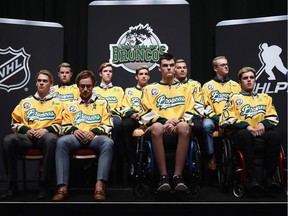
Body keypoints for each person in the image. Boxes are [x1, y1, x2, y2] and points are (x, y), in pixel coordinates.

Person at [52, 70, 114, 202]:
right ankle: (62, 187)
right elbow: (64, 125)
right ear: (78, 86)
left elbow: (108, 124)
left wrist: (94, 132)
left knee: (108, 142)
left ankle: (100, 186)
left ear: (93, 85)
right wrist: (74, 130)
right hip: (75, 138)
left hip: (95, 138)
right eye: (82, 86)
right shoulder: (70, 105)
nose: (85, 89)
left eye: (88, 86)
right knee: (62, 141)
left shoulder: (103, 103)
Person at [1, 69, 63, 200]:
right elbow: (14, 123)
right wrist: (26, 130)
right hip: (27, 138)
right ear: (36, 83)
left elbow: (62, 124)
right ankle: (12, 185)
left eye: (44, 81)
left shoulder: (58, 103)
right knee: (8, 140)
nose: (41, 83)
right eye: (39, 81)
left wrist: (45, 129)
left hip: (45, 137)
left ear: (51, 84)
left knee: (51, 139)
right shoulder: (25, 102)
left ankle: (44, 185)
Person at [139, 53, 197, 192]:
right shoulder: (149, 89)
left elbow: (193, 111)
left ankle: (178, 176)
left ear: (175, 67)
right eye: (165, 66)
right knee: (158, 127)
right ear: (159, 69)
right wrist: (165, 122)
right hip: (158, 128)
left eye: (172, 65)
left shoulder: (186, 89)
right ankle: (163, 177)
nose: (169, 68)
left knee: (184, 126)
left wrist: (178, 121)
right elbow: (144, 113)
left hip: (179, 127)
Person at [220, 66, 281, 193]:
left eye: (251, 78)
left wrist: (263, 124)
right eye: (245, 78)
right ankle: (252, 179)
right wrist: (246, 126)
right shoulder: (233, 98)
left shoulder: (265, 98)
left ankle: (269, 178)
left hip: (261, 132)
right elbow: (226, 118)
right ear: (240, 82)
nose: (249, 80)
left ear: (255, 80)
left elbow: (273, 116)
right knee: (244, 135)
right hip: (242, 133)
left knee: (275, 136)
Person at [202, 56, 241, 170]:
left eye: (226, 64)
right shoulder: (207, 86)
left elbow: (239, 106)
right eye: (222, 65)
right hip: (214, 119)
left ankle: (237, 158)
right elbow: (205, 107)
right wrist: (217, 118)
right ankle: (211, 157)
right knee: (206, 125)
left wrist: (229, 119)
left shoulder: (235, 85)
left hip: (231, 119)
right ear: (215, 68)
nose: (226, 66)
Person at [120, 65, 150, 176]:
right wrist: (132, 113)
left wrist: (143, 114)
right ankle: (131, 161)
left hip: (148, 118)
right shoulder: (129, 91)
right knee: (125, 125)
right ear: (136, 77)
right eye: (141, 74)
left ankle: (148, 162)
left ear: (149, 77)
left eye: (146, 74)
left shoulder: (153, 90)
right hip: (134, 117)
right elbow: (124, 107)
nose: (143, 76)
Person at [174, 59, 205, 146]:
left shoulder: (195, 84)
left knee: (198, 128)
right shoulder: (170, 85)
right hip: (176, 115)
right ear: (174, 70)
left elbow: (199, 103)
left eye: (184, 67)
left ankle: (205, 157)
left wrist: (189, 117)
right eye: (179, 68)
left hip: (193, 115)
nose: (182, 70)